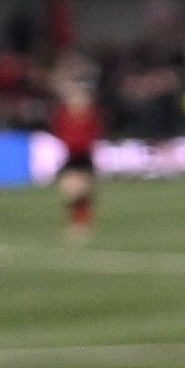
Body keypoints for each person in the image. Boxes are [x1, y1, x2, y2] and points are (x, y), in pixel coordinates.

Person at [48, 75, 104, 244]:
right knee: (71, 191)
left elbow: (95, 134)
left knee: (81, 191)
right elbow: (58, 131)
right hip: (70, 156)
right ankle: (78, 223)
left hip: (84, 156)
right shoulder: (63, 115)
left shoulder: (91, 115)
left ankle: (82, 225)